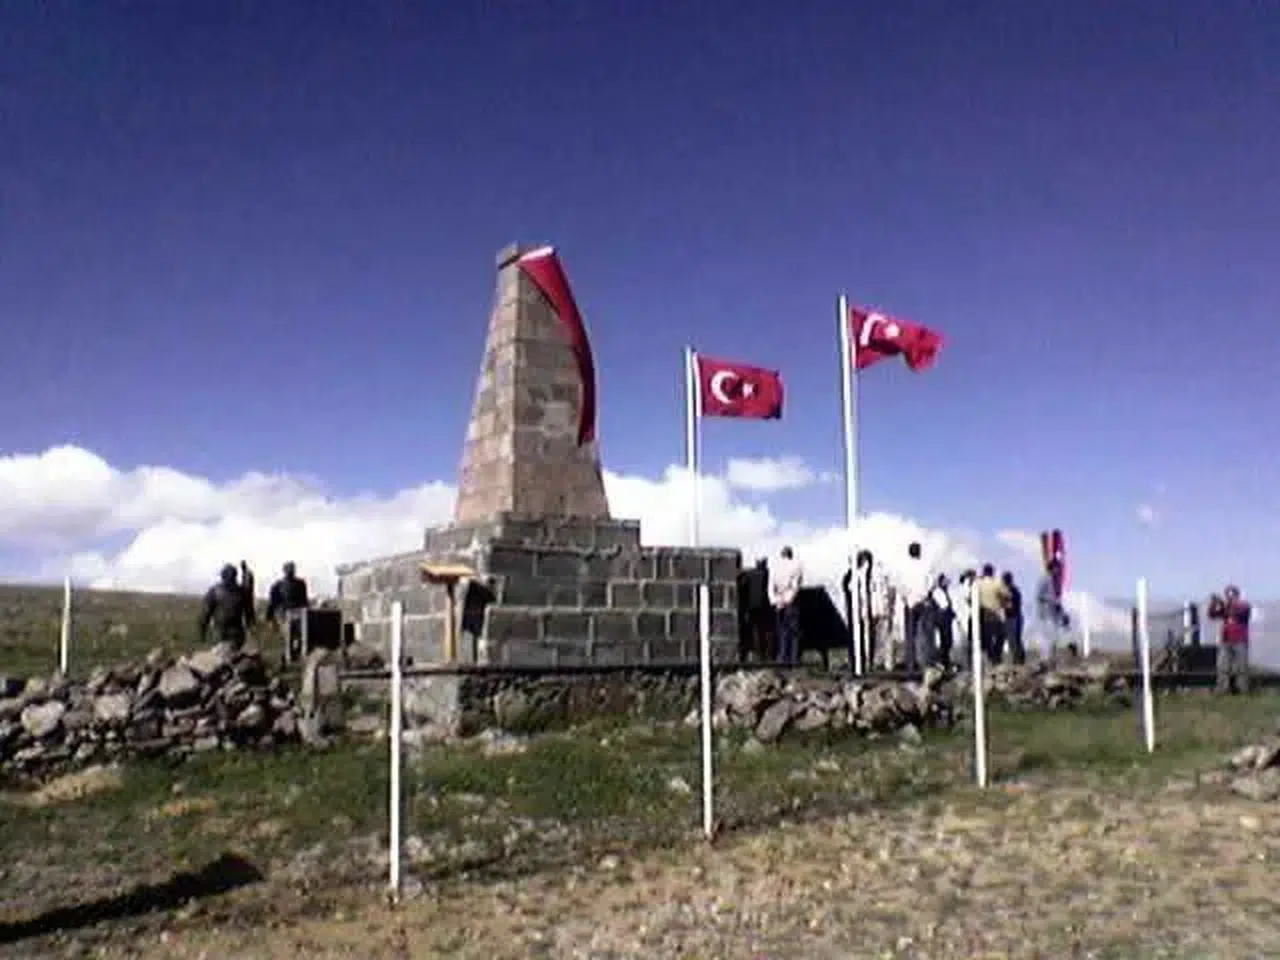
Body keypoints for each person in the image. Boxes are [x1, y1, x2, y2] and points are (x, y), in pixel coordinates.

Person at [198, 563, 257, 650]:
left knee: (226, 658)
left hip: (230, 633)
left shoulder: (217, 591)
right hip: (225, 632)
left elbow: (205, 615)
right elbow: (205, 614)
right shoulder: (240, 592)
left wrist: (202, 632)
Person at [896, 541, 935, 672]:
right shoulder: (926, 565)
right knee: (927, 634)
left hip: (909, 602)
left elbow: (900, 585)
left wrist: (906, 598)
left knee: (910, 635)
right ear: (920, 551)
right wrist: (925, 595)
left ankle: (911, 664)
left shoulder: (903, 567)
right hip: (924, 602)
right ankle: (927, 663)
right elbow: (931, 583)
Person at [1208, 584, 1252, 694]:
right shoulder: (1226, 608)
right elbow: (1212, 615)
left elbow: (1239, 611)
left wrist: (1224, 604)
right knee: (1222, 666)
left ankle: (1243, 689)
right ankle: (1223, 688)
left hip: (1240, 640)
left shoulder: (1243, 605)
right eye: (1228, 595)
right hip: (1226, 640)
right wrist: (1213, 604)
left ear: (1237, 595)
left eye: (1231, 595)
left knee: (1241, 667)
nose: (1229, 597)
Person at [768, 546, 804, 663]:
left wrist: (776, 601)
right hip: (790, 601)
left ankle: (782, 657)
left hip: (778, 601)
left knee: (782, 631)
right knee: (794, 632)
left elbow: (770, 586)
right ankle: (793, 658)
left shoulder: (775, 567)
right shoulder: (796, 566)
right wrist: (788, 600)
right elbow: (795, 586)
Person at [975, 563, 1010, 665]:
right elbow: (1007, 594)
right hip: (996, 613)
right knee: (1000, 636)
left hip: (983, 613)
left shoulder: (978, 583)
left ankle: (991, 657)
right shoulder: (997, 583)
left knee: (988, 637)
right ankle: (996, 657)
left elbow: (970, 598)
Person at [929, 573, 956, 669]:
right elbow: (943, 606)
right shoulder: (938, 592)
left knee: (947, 641)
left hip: (945, 619)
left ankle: (945, 661)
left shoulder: (944, 592)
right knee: (944, 641)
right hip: (942, 619)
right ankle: (942, 661)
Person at [1001, 571, 1026, 664]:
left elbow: (1012, 605)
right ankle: (1019, 659)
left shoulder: (1011, 591)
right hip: (1016, 617)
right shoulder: (1015, 590)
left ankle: (1018, 660)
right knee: (1016, 639)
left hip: (1013, 618)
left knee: (1013, 640)